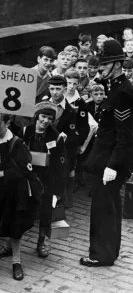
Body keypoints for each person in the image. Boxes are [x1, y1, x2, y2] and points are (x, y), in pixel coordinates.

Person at [81, 39, 133, 267]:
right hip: (107, 157)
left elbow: (124, 136)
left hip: (112, 161)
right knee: (109, 206)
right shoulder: (115, 87)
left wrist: (112, 166)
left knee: (103, 209)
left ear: (116, 64)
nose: (99, 68)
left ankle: (100, 255)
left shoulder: (123, 92)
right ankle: (108, 252)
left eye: (104, 64)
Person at [19, 101, 67, 258]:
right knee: (19, 210)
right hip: (26, 179)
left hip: (46, 181)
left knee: (45, 213)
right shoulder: (26, 131)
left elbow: (61, 164)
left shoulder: (57, 137)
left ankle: (41, 242)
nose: (46, 121)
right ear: (36, 116)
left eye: (50, 118)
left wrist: (58, 191)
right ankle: (11, 243)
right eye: (43, 117)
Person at [0, 113, 42, 281]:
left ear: (7, 123)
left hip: (14, 192)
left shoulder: (17, 143)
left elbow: (25, 170)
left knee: (14, 227)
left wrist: (3, 173)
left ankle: (16, 262)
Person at [47, 75, 78, 208]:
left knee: (60, 176)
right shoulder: (41, 104)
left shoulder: (71, 110)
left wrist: (66, 137)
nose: (55, 92)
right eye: (52, 88)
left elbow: (74, 133)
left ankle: (60, 200)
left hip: (61, 151)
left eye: (58, 89)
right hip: (42, 148)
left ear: (64, 89)